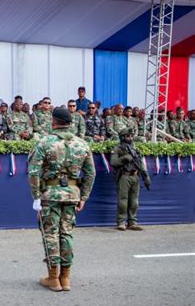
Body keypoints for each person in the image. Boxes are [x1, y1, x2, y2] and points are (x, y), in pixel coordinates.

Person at [28, 107, 95, 292]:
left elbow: (33, 172)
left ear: (53, 122)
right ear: (70, 123)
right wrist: (84, 196)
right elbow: (91, 173)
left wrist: (35, 197)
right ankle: (65, 278)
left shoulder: (44, 142)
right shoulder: (82, 144)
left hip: (50, 194)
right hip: (72, 195)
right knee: (66, 233)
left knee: (50, 234)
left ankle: (53, 278)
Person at [110, 127, 151, 231]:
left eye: (131, 136)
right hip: (124, 176)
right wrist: (124, 159)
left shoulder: (135, 149)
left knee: (134, 201)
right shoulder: (117, 149)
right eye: (128, 136)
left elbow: (141, 164)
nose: (130, 138)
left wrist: (146, 177)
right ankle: (121, 222)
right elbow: (113, 162)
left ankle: (132, 222)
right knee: (123, 201)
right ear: (123, 137)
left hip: (135, 176)